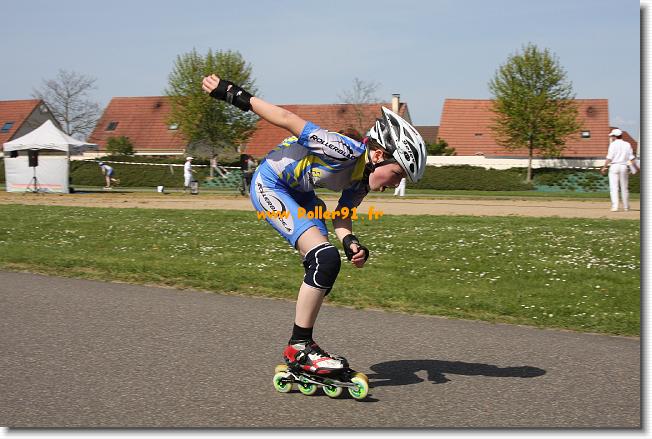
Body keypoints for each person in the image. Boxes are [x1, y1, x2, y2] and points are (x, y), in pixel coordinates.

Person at [201, 74, 427, 376]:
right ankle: (300, 347)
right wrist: (233, 94)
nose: (396, 184)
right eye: (398, 174)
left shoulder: (361, 181)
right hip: (270, 184)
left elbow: (342, 215)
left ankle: (303, 344)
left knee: (326, 263)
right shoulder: (343, 150)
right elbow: (287, 119)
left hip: (302, 195)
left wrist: (350, 241)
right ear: (378, 155)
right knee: (325, 259)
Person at [600, 128, 636, 212]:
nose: (611, 137)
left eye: (612, 136)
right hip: (624, 166)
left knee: (614, 188)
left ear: (615, 136)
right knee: (624, 188)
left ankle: (615, 207)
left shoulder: (612, 145)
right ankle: (626, 207)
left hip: (614, 166)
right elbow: (632, 158)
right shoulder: (627, 144)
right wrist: (632, 168)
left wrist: (604, 167)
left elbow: (609, 158)